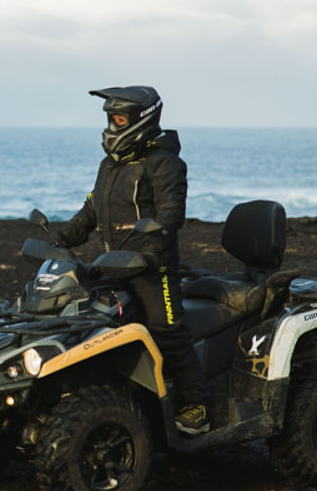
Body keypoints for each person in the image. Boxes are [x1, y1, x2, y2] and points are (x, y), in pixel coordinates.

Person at [54, 86, 211, 435]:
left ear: (142, 119)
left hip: (154, 270)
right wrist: (62, 238)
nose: (112, 125)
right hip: (114, 265)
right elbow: (92, 210)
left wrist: (156, 241)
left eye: (119, 118)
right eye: (110, 118)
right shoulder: (109, 166)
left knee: (168, 330)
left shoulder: (165, 163)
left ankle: (197, 405)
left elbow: (172, 213)